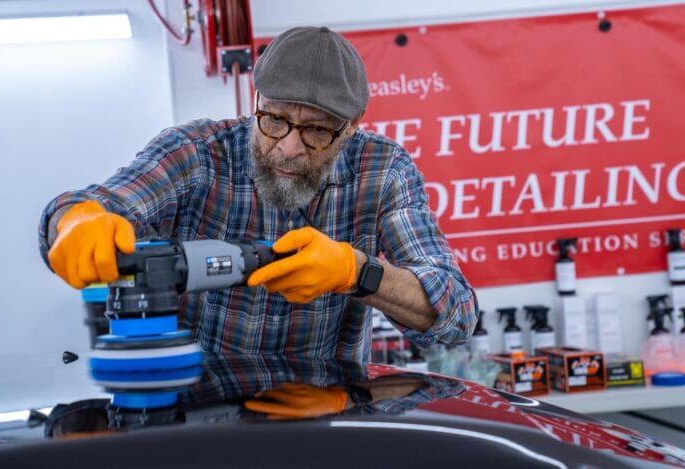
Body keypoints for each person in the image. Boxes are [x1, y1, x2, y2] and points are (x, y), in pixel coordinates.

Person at [38, 25, 477, 362]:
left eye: (317, 130)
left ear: (354, 124)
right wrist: (76, 218)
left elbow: (456, 317)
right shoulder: (197, 153)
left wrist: (356, 272)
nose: (289, 147)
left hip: (328, 423)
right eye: (274, 119)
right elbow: (99, 203)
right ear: (256, 97)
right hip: (199, 418)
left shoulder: (383, 171)